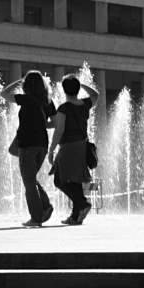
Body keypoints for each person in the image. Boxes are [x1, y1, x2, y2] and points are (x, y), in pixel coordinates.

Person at [0, 71, 57, 227]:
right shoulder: (48, 101)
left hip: (27, 145)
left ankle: (36, 217)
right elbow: (56, 123)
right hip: (42, 145)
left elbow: (4, 93)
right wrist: (41, 124)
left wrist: (17, 82)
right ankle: (45, 206)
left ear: (26, 86)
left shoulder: (25, 99)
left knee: (29, 182)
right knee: (30, 179)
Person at [47, 74, 99, 225]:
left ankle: (82, 203)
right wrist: (81, 84)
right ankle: (75, 216)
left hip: (68, 147)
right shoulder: (84, 104)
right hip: (81, 146)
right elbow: (96, 94)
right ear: (76, 89)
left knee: (59, 179)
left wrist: (51, 150)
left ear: (64, 90)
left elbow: (59, 130)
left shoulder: (64, 108)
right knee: (74, 180)